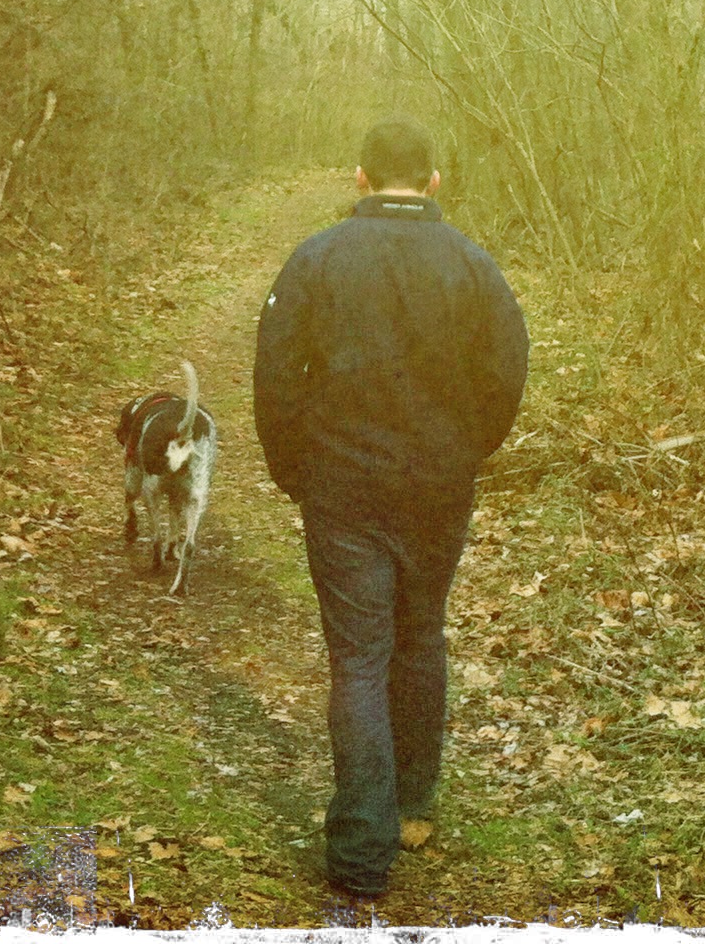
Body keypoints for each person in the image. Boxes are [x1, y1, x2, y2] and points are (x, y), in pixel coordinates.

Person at [254, 115, 529, 901]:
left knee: (360, 656)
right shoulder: (473, 265)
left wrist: (296, 470)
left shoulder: (317, 259)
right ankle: (411, 805)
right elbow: (507, 370)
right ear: (434, 180)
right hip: (435, 486)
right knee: (419, 635)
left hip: (343, 488)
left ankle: (360, 851)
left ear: (361, 178)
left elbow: (275, 376)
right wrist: (465, 451)